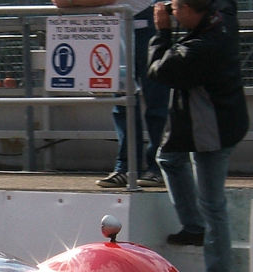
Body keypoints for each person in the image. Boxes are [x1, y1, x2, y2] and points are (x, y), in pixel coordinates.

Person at [147, 0, 249, 272]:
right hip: (211, 121)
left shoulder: (201, 47)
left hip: (211, 131)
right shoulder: (223, 17)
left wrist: (162, 32)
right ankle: (193, 226)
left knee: (213, 205)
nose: (172, 10)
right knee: (168, 158)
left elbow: (158, 70)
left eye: (177, 7)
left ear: (194, 11)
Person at [52, 0, 170, 188]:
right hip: (114, 26)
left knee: (156, 102)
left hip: (142, 24)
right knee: (123, 102)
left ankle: (159, 167)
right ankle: (126, 167)